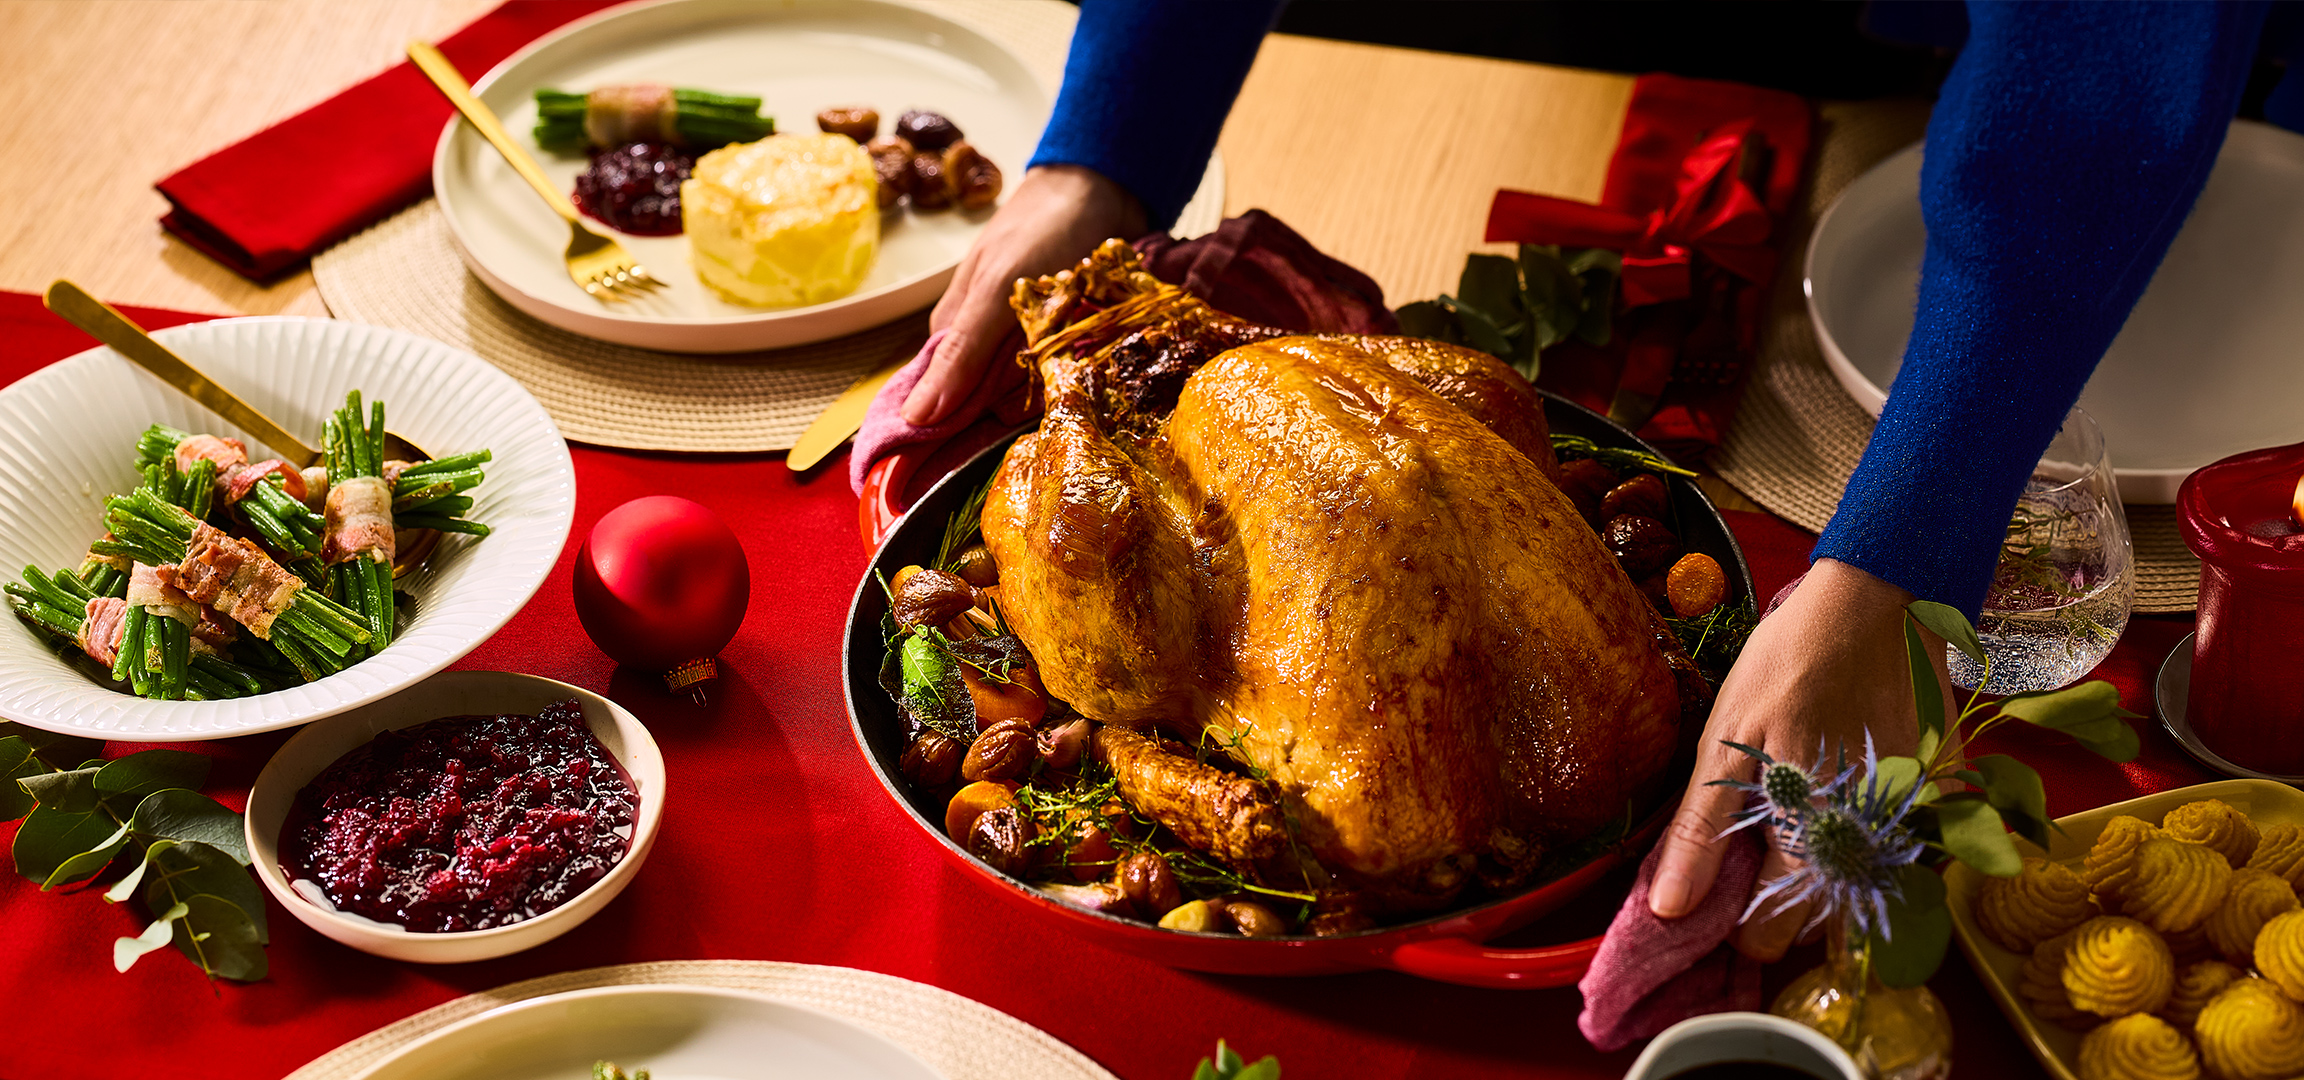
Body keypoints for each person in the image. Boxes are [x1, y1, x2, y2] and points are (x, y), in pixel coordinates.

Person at [902, 0, 2284, 958]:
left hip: (2020, 111)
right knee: (1490, 408)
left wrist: (1909, 553)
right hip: (1542, 72)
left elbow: (2111, 45)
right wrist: (1108, 144)